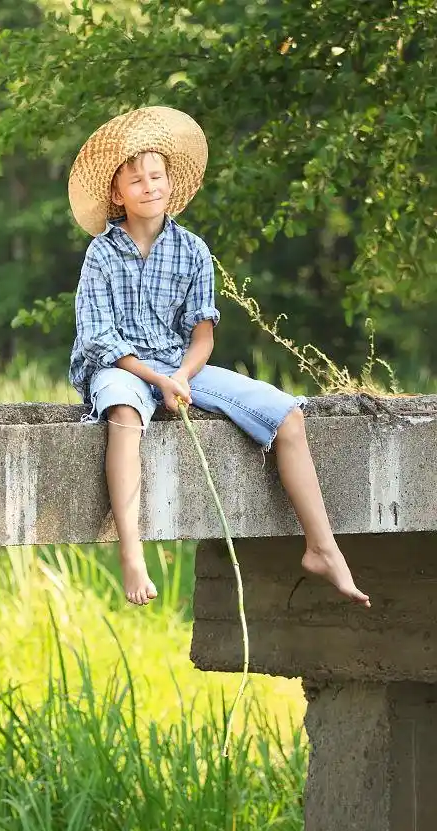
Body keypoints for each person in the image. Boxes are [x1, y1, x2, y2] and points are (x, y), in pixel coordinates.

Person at [68, 106, 371, 609]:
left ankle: (323, 547)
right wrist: (155, 381)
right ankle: (131, 552)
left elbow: (202, 336)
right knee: (123, 413)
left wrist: (182, 376)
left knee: (288, 416)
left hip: (179, 365)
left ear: (171, 184)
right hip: (120, 368)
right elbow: (99, 337)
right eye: (136, 180)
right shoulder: (101, 253)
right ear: (117, 194)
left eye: (157, 176)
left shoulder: (193, 250)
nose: (149, 186)